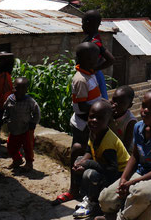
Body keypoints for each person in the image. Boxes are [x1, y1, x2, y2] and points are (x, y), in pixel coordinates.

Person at [97, 88, 151, 220]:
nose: (145, 110)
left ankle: (122, 218)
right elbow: (135, 156)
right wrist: (124, 179)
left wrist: (134, 182)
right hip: (141, 171)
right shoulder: (138, 127)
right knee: (106, 198)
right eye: (144, 105)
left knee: (140, 193)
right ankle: (111, 214)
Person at [53, 42, 103, 205]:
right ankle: (74, 189)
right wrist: (102, 109)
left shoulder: (90, 72)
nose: (97, 61)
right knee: (79, 153)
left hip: (90, 121)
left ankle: (83, 188)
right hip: (83, 125)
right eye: (94, 58)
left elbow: (108, 60)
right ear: (85, 60)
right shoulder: (80, 79)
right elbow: (82, 107)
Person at [73, 99, 130, 219]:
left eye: (99, 118)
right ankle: (88, 195)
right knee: (79, 160)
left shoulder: (108, 142)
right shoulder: (94, 132)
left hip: (120, 174)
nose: (94, 121)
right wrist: (82, 162)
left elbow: (111, 169)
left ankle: (95, 204)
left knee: (91, 173)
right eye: (91, 117)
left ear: (108, 121)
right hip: (106, 166)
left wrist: (88, 163)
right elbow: (89, 150)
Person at [2, 77, 41, 171]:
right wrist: (5, 118)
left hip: (25, 129)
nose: (19, 91)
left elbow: (37, 113)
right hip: (14, 129)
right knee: (11, 146)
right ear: (13, 88)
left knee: (28, 147)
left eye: (22, 88)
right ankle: (17, 159)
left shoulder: (29, 101)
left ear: (26, 89)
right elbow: (6, 109)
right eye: (17, 88)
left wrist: (33, 123)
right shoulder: (10, 99)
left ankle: (29, 163)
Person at [82, 10, 115, 100]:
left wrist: (94, 69)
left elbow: (111, 59)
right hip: (93, 75)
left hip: (95, 76)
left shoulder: (94, 42)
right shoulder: (91, 38)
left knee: (99, 101)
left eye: (83, 23)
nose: (82, 26)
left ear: (88, 23)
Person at [109, 86, 136, 152]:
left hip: (123, 152)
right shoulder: (107, 111)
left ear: (129, 105)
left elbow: (126, 145)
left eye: (121, 102)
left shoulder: (130, 121)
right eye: (114, 99)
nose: (115, 104)